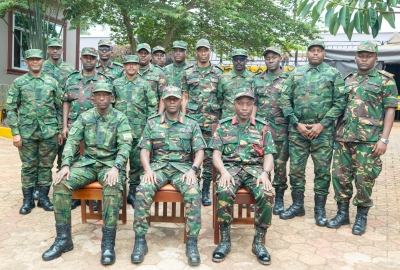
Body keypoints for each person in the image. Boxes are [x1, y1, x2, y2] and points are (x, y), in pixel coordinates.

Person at [42, 83, 132, 265]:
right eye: (98, 95)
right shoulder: (85, 117)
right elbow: (72, 141)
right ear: (93, 97)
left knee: (113, 186)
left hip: (110, 165)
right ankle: (63, 239)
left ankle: (108, 243)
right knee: (60, 183)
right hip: (88, 164)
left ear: (111, 97)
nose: (101, 98)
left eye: (105, 95)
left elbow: (125, 145)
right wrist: (65, 165)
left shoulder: (120, 118)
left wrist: (116, 166)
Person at [327, 41, 398, 235]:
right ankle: (342, 214)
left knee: (364, 179)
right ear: (355, 58)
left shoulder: (385, 80)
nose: (364, 59)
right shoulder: (348, 79)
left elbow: (390, 109)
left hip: (369, 141)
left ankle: (361, 217)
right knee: (340, 177)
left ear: (376, 58)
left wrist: (384, 140)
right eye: (361, 55)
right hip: (344, 139)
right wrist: (335, 135)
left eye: (369, 55)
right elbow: (341, 108)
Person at [131, 86, 206, 266]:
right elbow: (144, 150)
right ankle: (140, 240)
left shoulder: (191, 123)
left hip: (183, 169)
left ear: (181, 101)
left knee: (194, 192)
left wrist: (193, 170)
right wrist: (148, 170)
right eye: (168, 99)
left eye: (175, 99)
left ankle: (192, 241)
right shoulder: (152, 123)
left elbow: (200, 151)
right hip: (158, 168)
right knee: (142, 190)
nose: (172, 102)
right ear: (163, 101)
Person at [279, 41, 346, 226]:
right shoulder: (295, 73)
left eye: (319, 51)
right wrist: (296, 123)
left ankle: (319, 209)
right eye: (312, 51)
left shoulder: (333, 74)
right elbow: (284, 99)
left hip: (322, 133)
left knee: (323, 171)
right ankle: (297, 205)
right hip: (297, 131)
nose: (315, 54)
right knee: (296, 170)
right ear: (306, 54)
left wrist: (322, 124)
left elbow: (340, 102)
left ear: (324, 54)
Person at [209, 89, 276, 265]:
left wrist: (265, 173)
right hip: (230, 170)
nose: (244, 107)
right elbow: (216, 155)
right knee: (223, 190)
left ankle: (259, 242)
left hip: (255, 171)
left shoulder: (262, 127)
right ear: (234, 105)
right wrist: (222, 171)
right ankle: (225, 240)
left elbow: (269, 155)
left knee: (267, 193)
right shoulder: (223, 126)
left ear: (253, 105)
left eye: (248, 103)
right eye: (240, 103)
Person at [6, 49, 63, 214]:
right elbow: (11, 108)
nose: (35, 62)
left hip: (49, 131)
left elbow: (59, 107)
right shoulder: (19, 83)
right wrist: (15, 132)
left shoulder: (52, 82)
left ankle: (44, 199)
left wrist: (59, 130)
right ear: (27, 62)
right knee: (28, 166)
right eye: (31, 60)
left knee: (46, 166)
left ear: (42, 61)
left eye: (38, 59)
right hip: (27, 132)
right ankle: (28, 200)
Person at [62, 47, 110, 210]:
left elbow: (109, 104)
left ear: (96, 60)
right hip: (74, 126)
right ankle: (77, 196)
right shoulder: (72, 79)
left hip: (96, 128)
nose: (89, 60)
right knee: (75, 162)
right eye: (86, 57)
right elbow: (66, 101)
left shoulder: (102, 80)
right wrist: (64, 126)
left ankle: (95, 198)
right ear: (81, 59)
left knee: (95, 161)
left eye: (92, 58)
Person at [181, 38, 223, 206]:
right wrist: (184, 119)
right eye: (200, 50)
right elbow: (184, 96)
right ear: (196, 52)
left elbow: (221, 97)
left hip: (212, 122)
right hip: (193, 121)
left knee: (208, 157)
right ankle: (194, 187)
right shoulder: (188, 71)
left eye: (206, 50)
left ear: (209, 52)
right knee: (192, 155)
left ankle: (206, 189)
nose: (203, 53)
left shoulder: (218, 73)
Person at [113, 55, 158, 206]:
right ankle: (118, 193)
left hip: (139, 131)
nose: (131, 67)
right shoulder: (116, 84)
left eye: (134, 64)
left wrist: (149, 127)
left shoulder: (145, 84)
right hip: (119, 131)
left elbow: (152, 106)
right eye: (128, 64)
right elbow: (110, 105)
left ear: (138, 66)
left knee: (137, 163)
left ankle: (132, 193)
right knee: (118, 160)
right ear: (124, 66)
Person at [253, 47, 289, 215]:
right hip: (262, 128)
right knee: (259, 163)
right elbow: (253, 103)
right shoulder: (257, 79)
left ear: (280, 58)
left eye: (274, 57)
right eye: (267, 57)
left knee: (280, 165)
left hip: (281, 128)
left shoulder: (288, 79)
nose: (270, 60)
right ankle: (258, 195)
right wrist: (253, 125)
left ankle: (279, 197)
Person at [40, 37, 75, 199]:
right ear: (48, 49)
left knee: (66, 157)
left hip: (66, 119)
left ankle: (63, 189)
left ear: (62, 50)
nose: (55, 50)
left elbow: (69, 97)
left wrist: (65, 125)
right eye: (52, 48)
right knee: (44, 159)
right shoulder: (42, 67)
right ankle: (40, 191)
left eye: (58, 48)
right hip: (45, 121)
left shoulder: (69, 69)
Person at [218, 48, 254, 119]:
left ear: (246, 61)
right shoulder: (223, 78)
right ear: (232, 61)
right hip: (227, 119)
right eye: (235, 59)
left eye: (242, 59)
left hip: (246, 119)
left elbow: (254, 100)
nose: (238, 62)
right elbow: (219, 98)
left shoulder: (254, 78)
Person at [136, 43, 166, 114]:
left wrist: (159, 115)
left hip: (152, 113)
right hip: (134, 114)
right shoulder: (129, 71)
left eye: (146, 53)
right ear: (136, 55)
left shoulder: (158, 72)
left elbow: (163, 96)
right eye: (140, 53)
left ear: (150, 56)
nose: (143, 55)